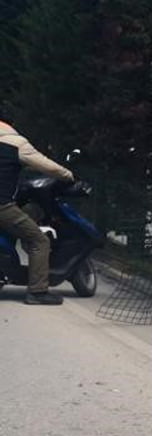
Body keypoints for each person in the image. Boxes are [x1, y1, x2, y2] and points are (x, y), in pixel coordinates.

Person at [0, 110, 74, 305]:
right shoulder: (15, 143)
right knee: (39, 241)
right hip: (2, 207)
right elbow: (46, 165)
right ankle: (37, 292)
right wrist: (68, 176)